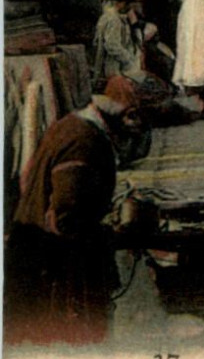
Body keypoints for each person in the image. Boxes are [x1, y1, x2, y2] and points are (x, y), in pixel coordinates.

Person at [5, 75, 152, 344]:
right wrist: (112, 233)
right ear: (125, 117)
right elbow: (64, 218)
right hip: (58, 267)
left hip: (38, 252)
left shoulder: (70, 125)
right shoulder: (84, 141)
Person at [91, 0, 143, 91]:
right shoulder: (114, 19)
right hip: (113, 67)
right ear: (121, 3)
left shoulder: (108, 17)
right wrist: (128, 59)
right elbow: (112, 45)